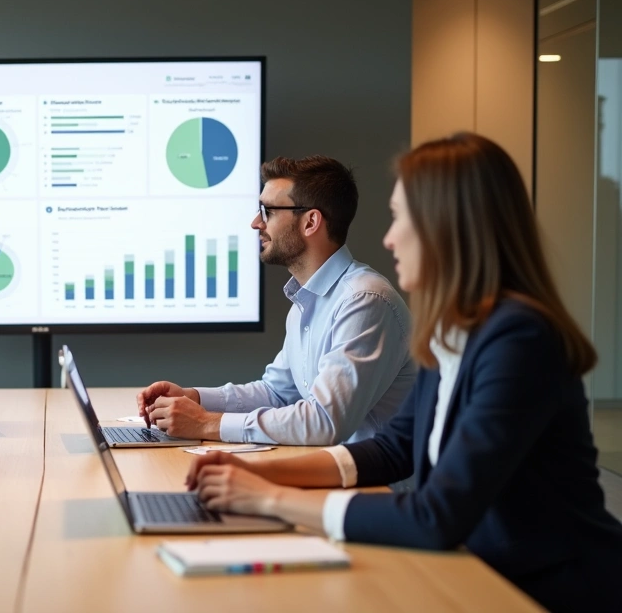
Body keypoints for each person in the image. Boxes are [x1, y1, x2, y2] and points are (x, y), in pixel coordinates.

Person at [187, 133, 622, 612]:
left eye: (400, 218)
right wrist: (250, 472)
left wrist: (270, 498)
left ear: (448, 227)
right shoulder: (453, 332)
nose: (389, 237)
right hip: (478, 573)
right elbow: (392, 449)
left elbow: (438, 514)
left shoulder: (520, 341)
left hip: (551, 591)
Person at [136, 156, 415, 445]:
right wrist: (194, 397)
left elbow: (325, 422)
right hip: (330, 472)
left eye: (267, 211)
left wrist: (207, 424)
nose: (256, 223)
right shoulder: (306, 300)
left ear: (310, 222)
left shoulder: (364, 301)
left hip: (374, 485)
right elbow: (278, 393)